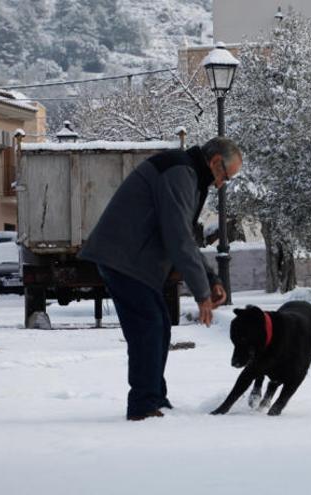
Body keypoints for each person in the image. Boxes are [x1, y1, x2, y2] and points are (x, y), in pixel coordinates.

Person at [79, 137, 243, 420]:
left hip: (132, 261)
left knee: (158, 326)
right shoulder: (180, 172)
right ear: (216, 162)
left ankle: (155, 397)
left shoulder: (188, 174)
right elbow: (177, 236)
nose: (222, 184)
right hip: (124, 258)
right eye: (225, 176)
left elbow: (186, 238)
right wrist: (202, 293)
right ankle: (143, 406)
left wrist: (211, 278)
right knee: (149, 327)